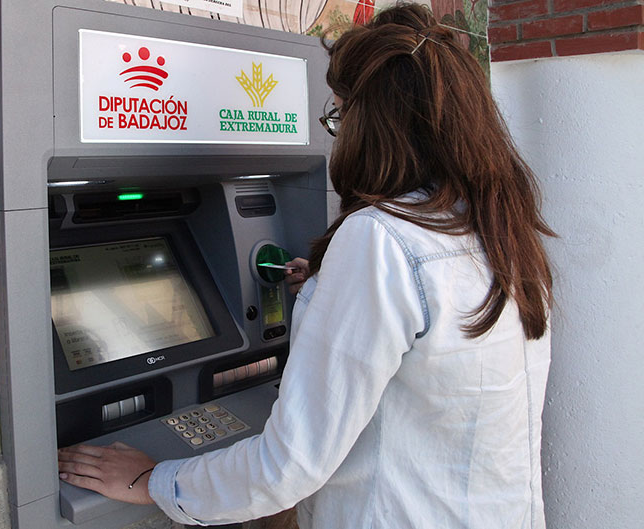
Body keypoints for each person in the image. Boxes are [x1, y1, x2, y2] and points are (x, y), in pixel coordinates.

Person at [57, 4, 555, 527]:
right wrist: (328, 287)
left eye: (339, 114)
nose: (338, 133)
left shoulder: (380, 240)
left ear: (374, 123)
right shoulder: (497, 229)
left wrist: (152, 479)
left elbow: (287, 466)